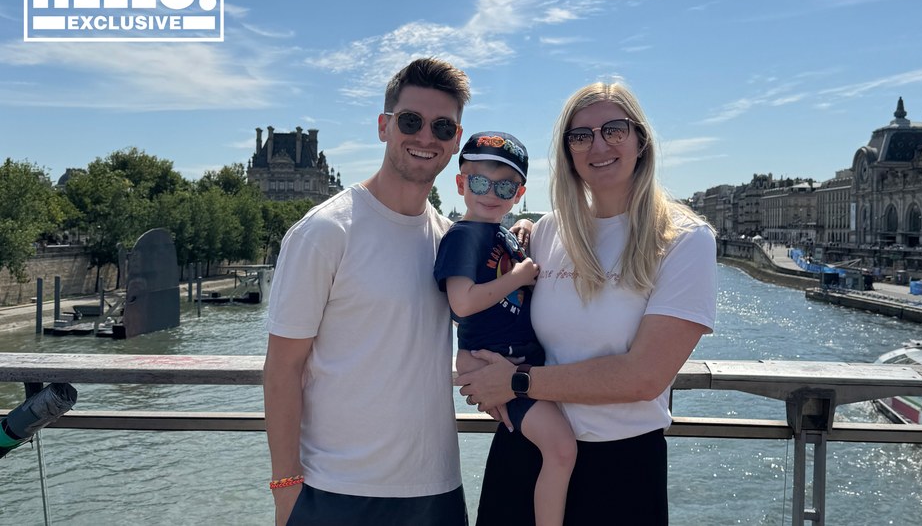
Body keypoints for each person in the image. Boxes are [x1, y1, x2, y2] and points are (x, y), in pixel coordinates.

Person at [455, 81, 718, 525]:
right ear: (568, 152)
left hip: (621, 470)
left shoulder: (683, 240)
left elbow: (644, 377)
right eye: (581, 136)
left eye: (614, 130)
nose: (598, 145)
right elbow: (489, 314)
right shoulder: (545, 233)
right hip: (527, 451)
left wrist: (518, 383)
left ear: (641, 140)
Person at [263, 57, 471, 526]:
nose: (425, 138)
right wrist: (285, 488)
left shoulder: (449, 241)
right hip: (334, 490)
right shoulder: (324, 232)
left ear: (455, 141)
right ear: (384, 126)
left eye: (442, 127)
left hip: (436, 489)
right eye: (411, 121)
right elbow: (282, 368)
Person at [434, 131, 577, 526]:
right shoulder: (462, 237)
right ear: (461, 183)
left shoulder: (497, 233)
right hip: (496, 365)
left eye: (506, 185)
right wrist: (517, 277)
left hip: (515, 364)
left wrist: (526, 227)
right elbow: (461, 302)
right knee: (562, 449)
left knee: (552, 449)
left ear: (520, 191)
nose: (491, 193)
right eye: (480, 182)